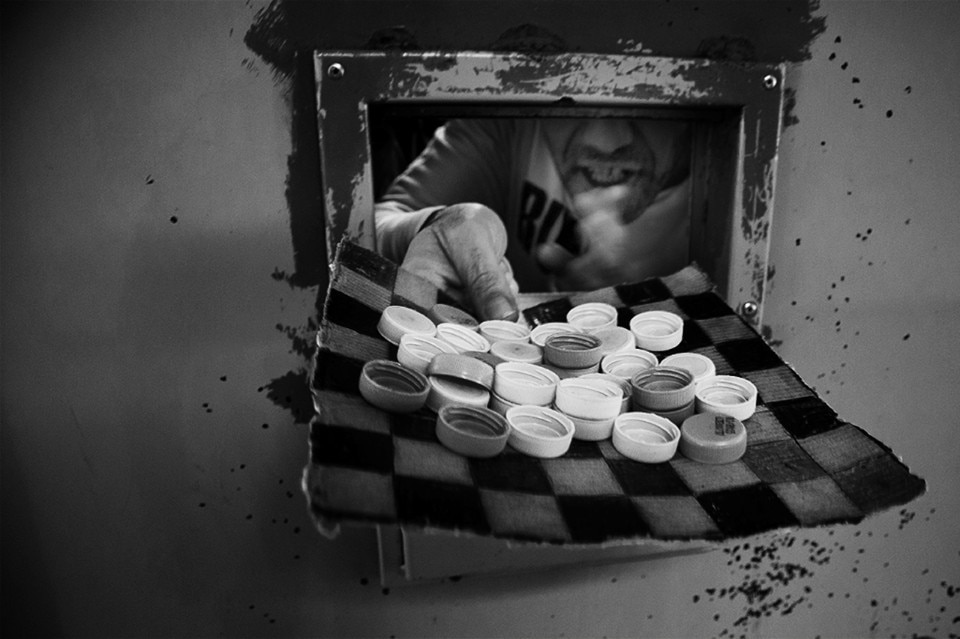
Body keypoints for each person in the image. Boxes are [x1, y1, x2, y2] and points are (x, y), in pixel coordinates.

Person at [375, 117, 692, 321]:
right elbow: (369, 224)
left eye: (645, 104)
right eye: (568, 99)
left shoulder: (721, 155)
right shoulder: (509, 120)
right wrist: (430, 228)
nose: (605, 142)